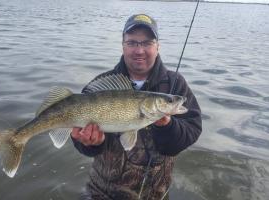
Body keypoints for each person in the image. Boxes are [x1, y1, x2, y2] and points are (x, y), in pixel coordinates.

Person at [71, 14, 202, 200]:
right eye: (132, 42)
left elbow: (191, 132)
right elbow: (78, 137)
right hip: (101, 192)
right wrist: (89, 143)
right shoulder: (101, 85)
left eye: (147, 42)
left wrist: (167, 126)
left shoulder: (175, 84)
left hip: (155, 194)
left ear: (158, 46)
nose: (139, 50)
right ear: (122, 45)